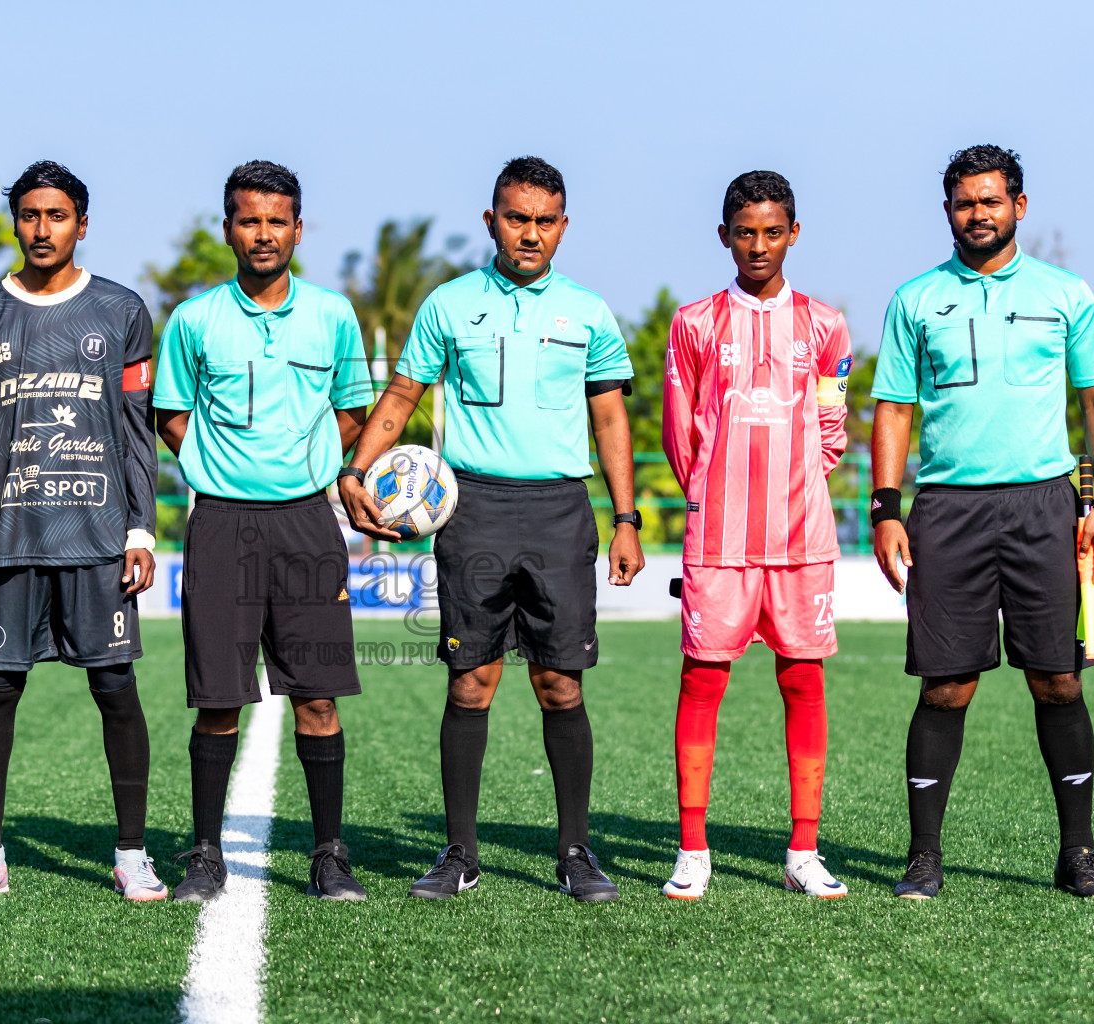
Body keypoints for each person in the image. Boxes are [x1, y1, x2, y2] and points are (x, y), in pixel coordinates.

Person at [339, 156, 643, 903]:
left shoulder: (589, 312)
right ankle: (460, 854)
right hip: (472, 509)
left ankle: (576, 853)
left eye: (544, 221)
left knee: (559, 684)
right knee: (470, 682)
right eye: (516, 217)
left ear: (563, 226)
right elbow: (403, 393)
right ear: (491, 221)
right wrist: (355, 469)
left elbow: (610, 417)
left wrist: (626, 516)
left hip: (560, 509)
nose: (529, 233)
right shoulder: (449, 305)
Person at [870, 144, 1094, 900]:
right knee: (946, 687)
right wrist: (885, 509)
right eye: (963, 202)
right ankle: (923, 857)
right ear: (947, 210)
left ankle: (1077, 854)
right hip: (949, 509)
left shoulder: (1066, 293)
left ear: (1018, 205)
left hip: (1047, 505)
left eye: (990, 201)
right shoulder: (916, 299)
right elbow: (893, 409)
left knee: (1059, 681)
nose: (976, 214)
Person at [0, 162, 163, 902]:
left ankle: (131, 852)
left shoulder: (121, 311)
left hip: (97, 534)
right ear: (15, 223)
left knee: (115, 686)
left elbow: (138, 431)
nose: (43, 229)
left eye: (57, 215)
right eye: (30, 215)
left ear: (82, 224)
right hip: (6, 537)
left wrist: (142, 530)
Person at [153, 160, 374, 902]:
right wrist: (217, 467)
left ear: (298, 230)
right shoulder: (194, 319)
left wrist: (313, 464)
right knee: (218, 697)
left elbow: (351, 407)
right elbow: (171, 414)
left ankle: (329, 854)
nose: (263, 234)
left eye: (277, 220)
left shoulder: (333, 314)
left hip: (308, 523)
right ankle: (207, 854)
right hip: (220, 523)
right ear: (228, 230)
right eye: (249, 220)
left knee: (317, 695)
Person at [659, 171, 852, 900]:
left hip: (803, 536)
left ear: (793, 233)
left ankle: (803, 850)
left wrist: (799, 476)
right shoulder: (696, 322)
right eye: (745, 232)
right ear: (724, 237)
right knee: (702, 681)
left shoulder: (826, 324)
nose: (759, 245)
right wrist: (713, 490)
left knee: (803, 680)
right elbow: (683, 435)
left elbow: (831, 423)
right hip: (721, 538)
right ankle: (693, 850)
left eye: (773, 231)